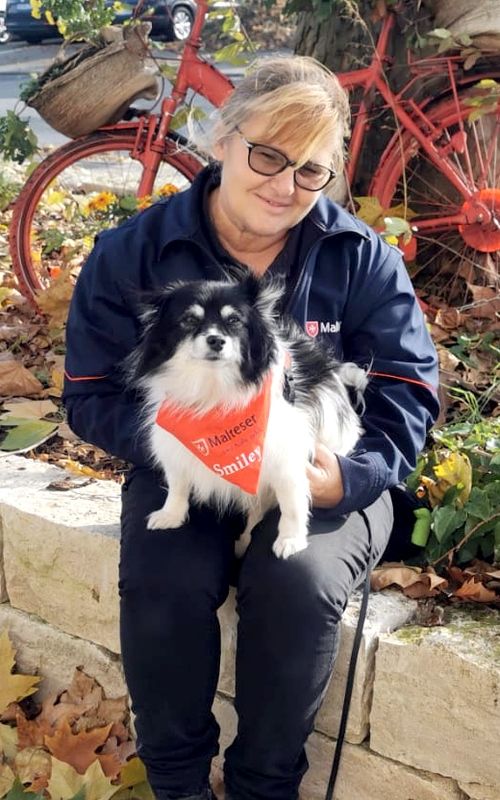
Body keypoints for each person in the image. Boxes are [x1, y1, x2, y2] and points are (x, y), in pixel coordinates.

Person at [63, 55, 439, 800]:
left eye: (310, 171)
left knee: (293, 581)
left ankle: (264, 786)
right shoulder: (134, 252)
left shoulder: (360, 257)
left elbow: (409, 394)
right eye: (267, 155)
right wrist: (188, 447)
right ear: (223, 140)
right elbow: (87, 394)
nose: (284, 185)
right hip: (187, 473)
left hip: (320, 476)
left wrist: (352, 478)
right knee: (162, 578)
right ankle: (177, 784)